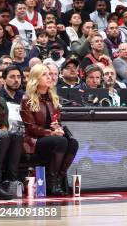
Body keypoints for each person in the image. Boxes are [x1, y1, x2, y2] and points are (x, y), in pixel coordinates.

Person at [20, 64, 79, 196]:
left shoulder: (53, 97)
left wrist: (57, 127)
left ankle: (59, 179)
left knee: (73, 142)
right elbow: (31, 128)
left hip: (51, 138)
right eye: (45, 74)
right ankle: (51, 183)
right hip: (34, 141)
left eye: (50, 74)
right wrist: (51, 133)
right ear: (36, 78)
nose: (50, 77)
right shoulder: (26, 99)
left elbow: (56, 121)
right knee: (61, 142)